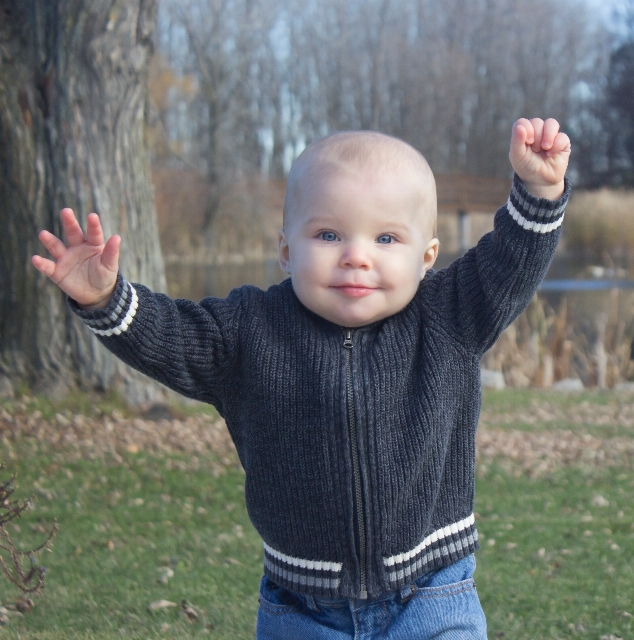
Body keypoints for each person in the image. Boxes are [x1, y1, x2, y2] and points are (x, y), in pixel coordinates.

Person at [32, 117, 570, 638]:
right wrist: (105, 299)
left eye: (386, 239)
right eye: (329, 234)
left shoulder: (451, 315)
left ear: (426, 256)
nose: (356, 257)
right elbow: (173, 336)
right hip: (302, 608)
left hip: (432, 594)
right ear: (286, 249)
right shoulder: (251, 331)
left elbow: (512, 262)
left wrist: (538, 191)